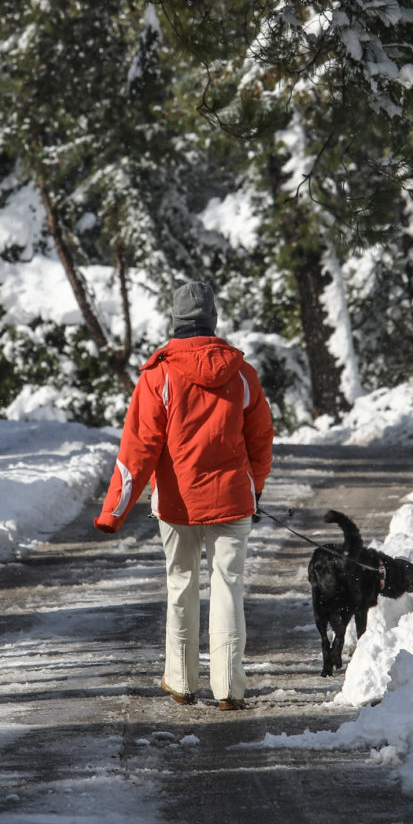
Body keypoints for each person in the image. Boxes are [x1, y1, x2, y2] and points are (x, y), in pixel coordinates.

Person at [94, 280, 273, 710]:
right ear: (213, 320)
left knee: (181, 585)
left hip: (177, 503)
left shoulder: (159, 375)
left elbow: (137, 449)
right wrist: (255, 490)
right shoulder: (242, 374)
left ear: (175, 322)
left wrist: (113, 512)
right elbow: (261, 443)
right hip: (232, 501)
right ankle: (228, 689)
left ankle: (181, 681)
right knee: (228, 587)